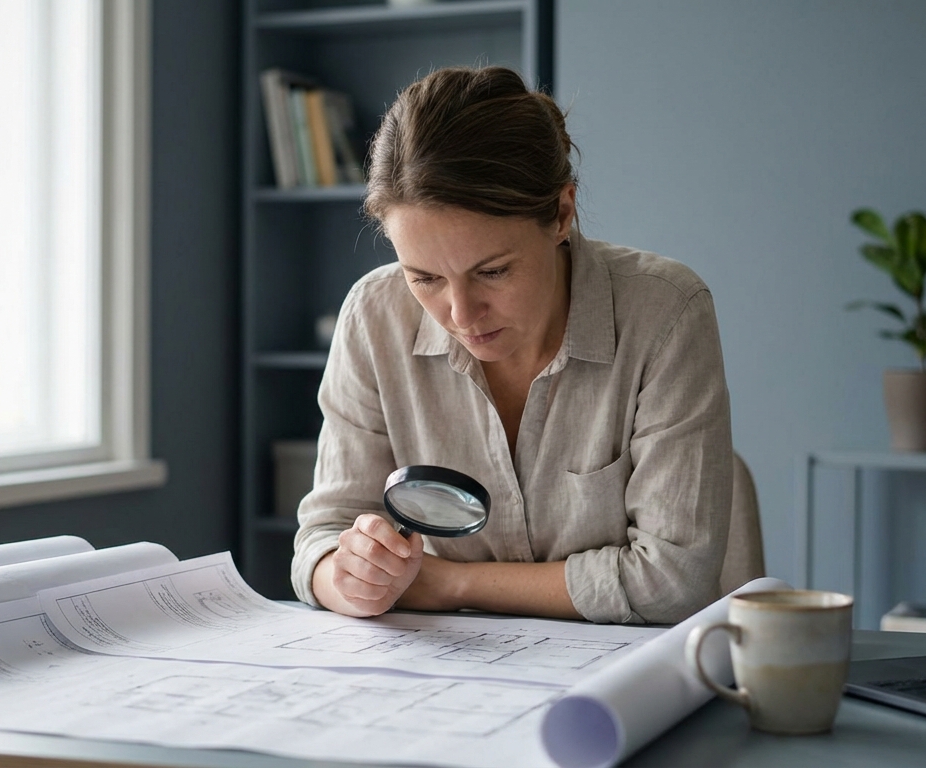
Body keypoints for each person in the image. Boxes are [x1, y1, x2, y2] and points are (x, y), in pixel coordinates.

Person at [290, 66, 733, 625]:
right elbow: (323, 538)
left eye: (493, 271)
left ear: (562, 215)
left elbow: (674, 582)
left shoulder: (665, 310)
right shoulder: (373, 316)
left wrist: (451, 582)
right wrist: (351, 575)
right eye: (423, 277)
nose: (460, 313)